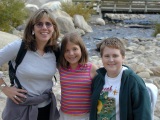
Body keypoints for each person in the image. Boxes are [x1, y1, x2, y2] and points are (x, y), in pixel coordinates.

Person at [0, 9, 60, 120]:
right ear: (32, 28)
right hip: (20, 109)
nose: (44, 28)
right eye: (39, 24)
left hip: (47, 108)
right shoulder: (19, 47)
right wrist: (4, 88)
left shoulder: (55, 50)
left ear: (54, 28)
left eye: (48, 24)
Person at [90, 38, 151, 120]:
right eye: (107, 56)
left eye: (115, 56)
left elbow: (143, 114)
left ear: (123, 57)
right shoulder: (98, 79)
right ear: (102, 58)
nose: (111, 60)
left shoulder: (134, 81)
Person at [58, 32, 98, 120]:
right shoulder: (62, 68)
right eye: (66, 50)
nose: (71, 53)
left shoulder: (91, 68)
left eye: (75, 49)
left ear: (82, 49)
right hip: (64, 115)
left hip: (85, 116)